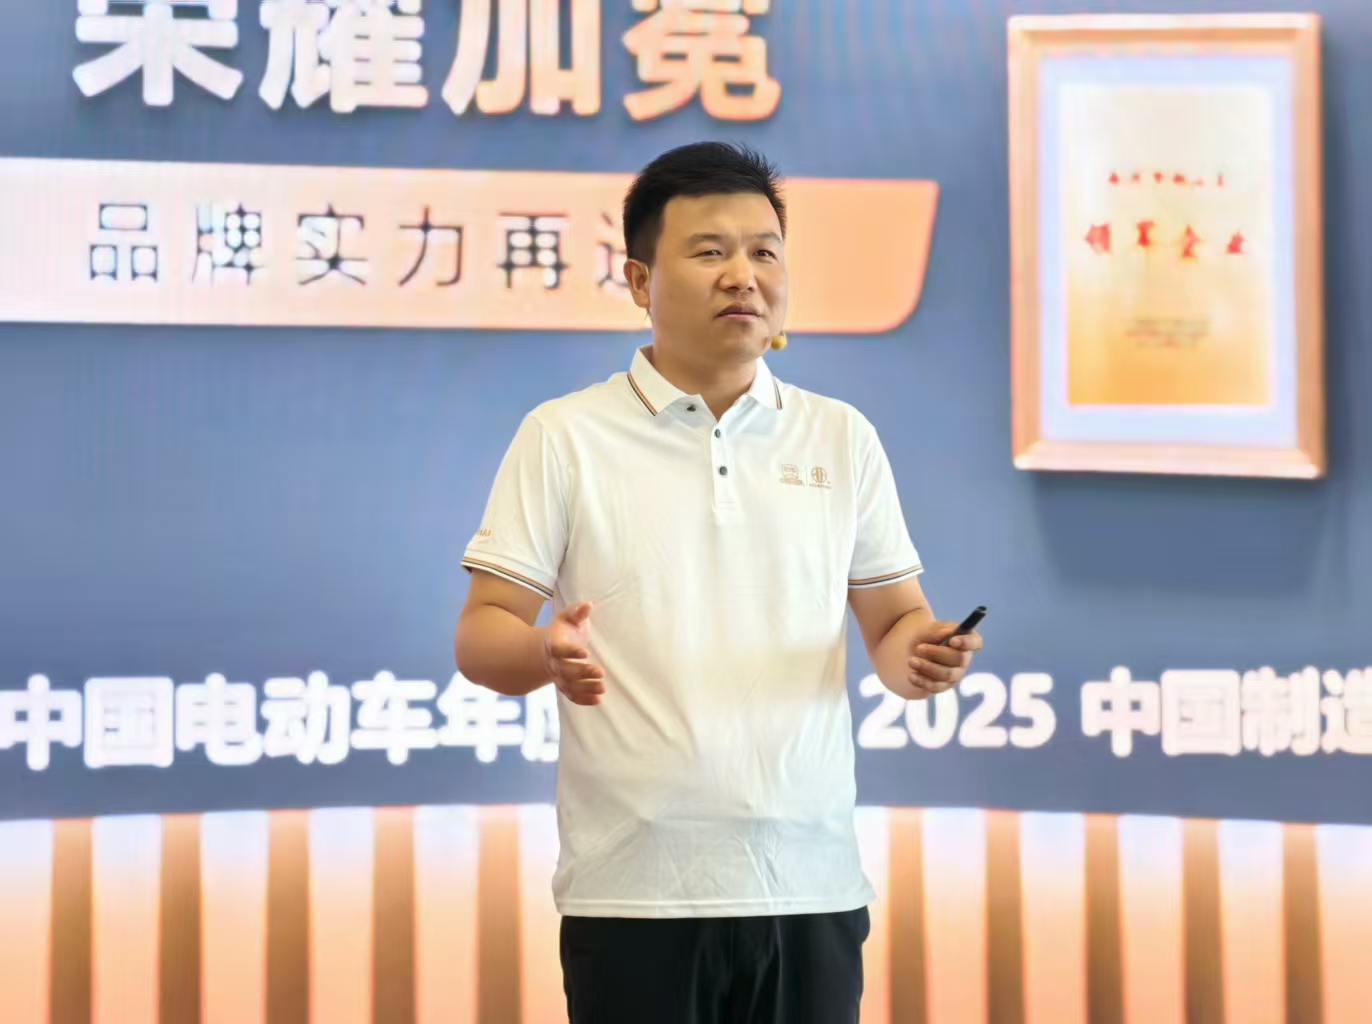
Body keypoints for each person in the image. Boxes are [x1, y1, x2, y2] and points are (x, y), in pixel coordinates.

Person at [454, 141, 984, 1024]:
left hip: (809, 884)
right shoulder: (566, 436)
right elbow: (482, 635)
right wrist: (545, 652)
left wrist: (923, 655)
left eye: (764, 251)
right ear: (639, 280)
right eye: (709, 251)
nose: (743, 275)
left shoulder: (840, 436)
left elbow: (896, 627)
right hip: (635, 894)